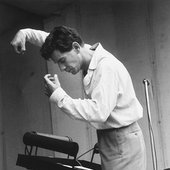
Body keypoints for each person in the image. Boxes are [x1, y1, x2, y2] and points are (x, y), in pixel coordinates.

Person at [11, 26, 146, 170]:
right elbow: (50, 40)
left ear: (76, 47)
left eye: (62, 61)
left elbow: (98, 112)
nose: (62, 68)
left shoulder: (106, 67)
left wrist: (59, 96)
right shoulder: (82, 49)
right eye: (58, 63)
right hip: (111, 139)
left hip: (122, 142)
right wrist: (25, 34)